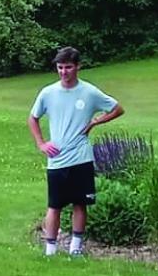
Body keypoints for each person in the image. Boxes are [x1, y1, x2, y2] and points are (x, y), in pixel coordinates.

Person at [28, 46, 124, 256]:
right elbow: (33, 118)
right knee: (54, 205)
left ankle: (75, 248)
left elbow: (117, 108)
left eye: (68, 67)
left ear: (78, 67)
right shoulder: (48, 93)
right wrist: (41, 143)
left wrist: (95, 122)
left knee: (81, 203)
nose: (64, 72)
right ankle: (50, 250)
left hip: (81, 158)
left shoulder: (89, 92)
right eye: (60, 67)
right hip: (57, 159)